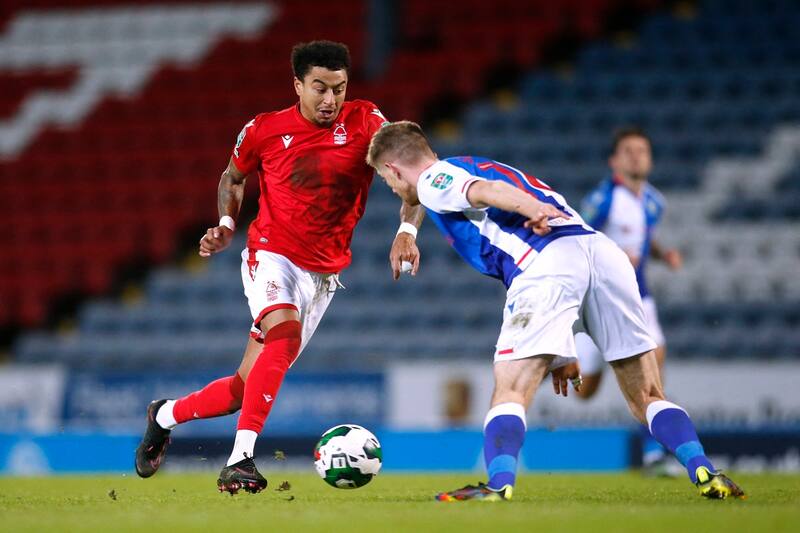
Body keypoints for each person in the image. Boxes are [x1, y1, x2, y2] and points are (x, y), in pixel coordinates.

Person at [366, 121, 745, 501]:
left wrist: (532, 208)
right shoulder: (462, 165)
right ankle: (705, 471)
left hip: (546, 263)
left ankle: (498, 484)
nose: (392, 188)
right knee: (646, 393)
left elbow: (487, 192)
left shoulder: (434, 180)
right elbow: (457, 195)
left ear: (394, 170)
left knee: (511, 388)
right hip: (602, 255)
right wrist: (562, 349)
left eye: (385, 179)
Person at [134, 41, 424, 494]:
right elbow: (233, 177)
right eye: (320, 88)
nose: (330, 100)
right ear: (298, 85)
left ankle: (164, 415)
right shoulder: (264, 130)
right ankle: (241, 460)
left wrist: (407, 231)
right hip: (272, 255)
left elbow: (414, 175)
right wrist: (226, 223)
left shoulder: (367, 121)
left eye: (339, 89)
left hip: (323, 275)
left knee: (242, 389)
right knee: (283, 335)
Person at [576, 126, 683, 475]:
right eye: (628, 151)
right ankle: (561, 361)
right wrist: (613, 255)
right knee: (585, 391)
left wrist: (662, 254)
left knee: (654, 369)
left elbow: (644, 237)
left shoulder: (654, 201)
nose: (636, 157)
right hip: (599, 301)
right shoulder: (603, 200)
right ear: (614, 161)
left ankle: (654, 453)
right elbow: (576, 238)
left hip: (639, 299)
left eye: (642, 151)